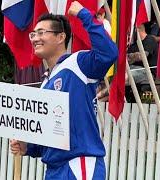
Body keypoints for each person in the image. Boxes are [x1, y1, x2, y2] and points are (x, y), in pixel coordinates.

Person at [10, 1, 118, 179]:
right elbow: (50, 135)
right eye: (33, 34)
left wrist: (83, 13)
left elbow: (109, 53)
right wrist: (27, 147)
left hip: (79, 164)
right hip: (53, 169)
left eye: (41, 33)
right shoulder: (45, 83)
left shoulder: (78, 63)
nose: (35, 38)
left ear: (61, 37)